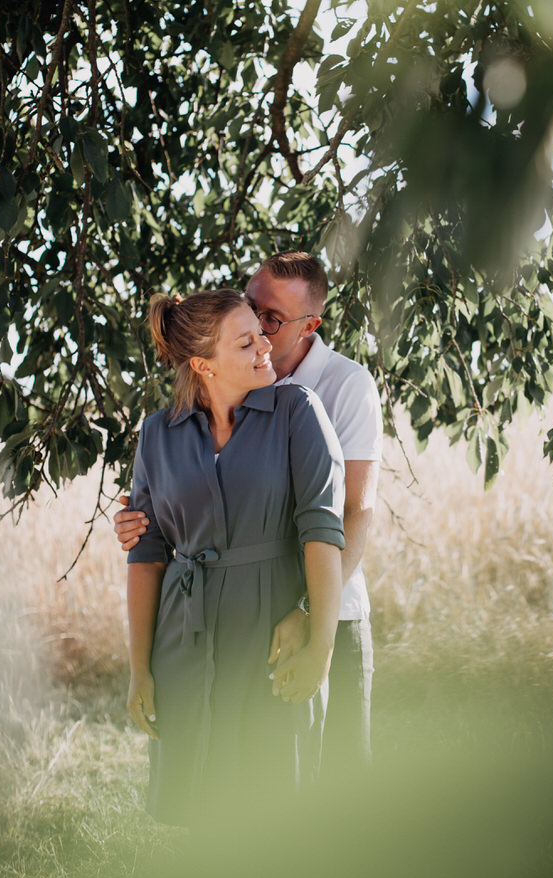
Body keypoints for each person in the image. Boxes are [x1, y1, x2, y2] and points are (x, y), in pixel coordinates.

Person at [117, 252, 382, 773]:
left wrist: (308, 618)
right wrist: (147, 521)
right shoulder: (164, 429)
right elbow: (158, 541)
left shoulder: (330, 394)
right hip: (199, 627)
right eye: (251, 311)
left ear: (311, 326)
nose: (260, 330)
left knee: (332, 789)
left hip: (325, 608)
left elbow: (349, 513)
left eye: (272, 321)